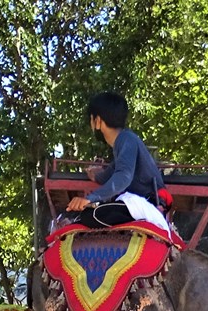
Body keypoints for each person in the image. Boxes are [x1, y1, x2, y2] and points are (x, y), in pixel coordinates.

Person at [66, 91, 171, 231]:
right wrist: (96, 175)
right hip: (138, 205)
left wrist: (90, 198)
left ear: (97, 121)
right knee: (88, 215)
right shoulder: (124, 142)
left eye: (91, 120)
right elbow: (111, 173)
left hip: (144, 204)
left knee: (91, 215)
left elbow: (123, 176)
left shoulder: (125, 139)